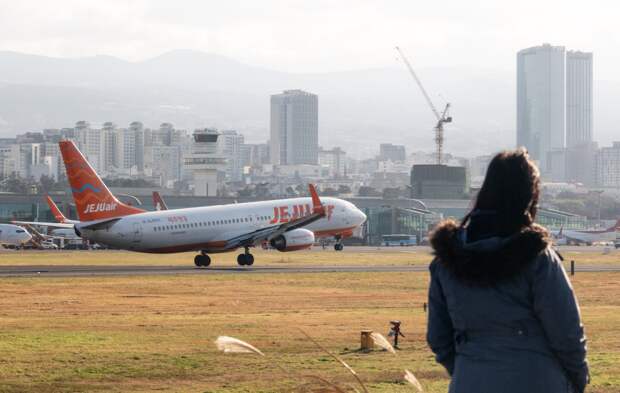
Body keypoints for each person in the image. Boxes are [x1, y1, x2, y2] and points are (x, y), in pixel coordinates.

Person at [426, 149, 589, 393]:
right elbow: (566, 332)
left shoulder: (447, 259)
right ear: (529, 196)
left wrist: (468, 370)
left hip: (470, 380)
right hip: (538, 379)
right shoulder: (538, 257)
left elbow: (439, 337)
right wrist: (576, 378)